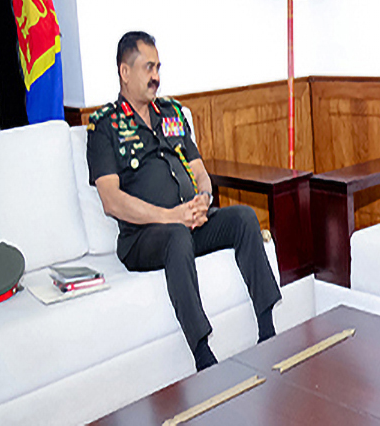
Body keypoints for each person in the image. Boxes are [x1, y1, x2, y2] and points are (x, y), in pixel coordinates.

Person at [86, 31, 281, 371]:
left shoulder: (173, 112)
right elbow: (111, 200)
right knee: (176, 237)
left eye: (158, 67)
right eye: (148, 67)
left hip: (190, 222)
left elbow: (199, 171)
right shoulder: (105, 127)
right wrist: (171, 216)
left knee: (244, 218)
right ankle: (203, 355)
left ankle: (268, 331)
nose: (156, 76)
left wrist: (204, 198)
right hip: (144, 237)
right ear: (124, 72)